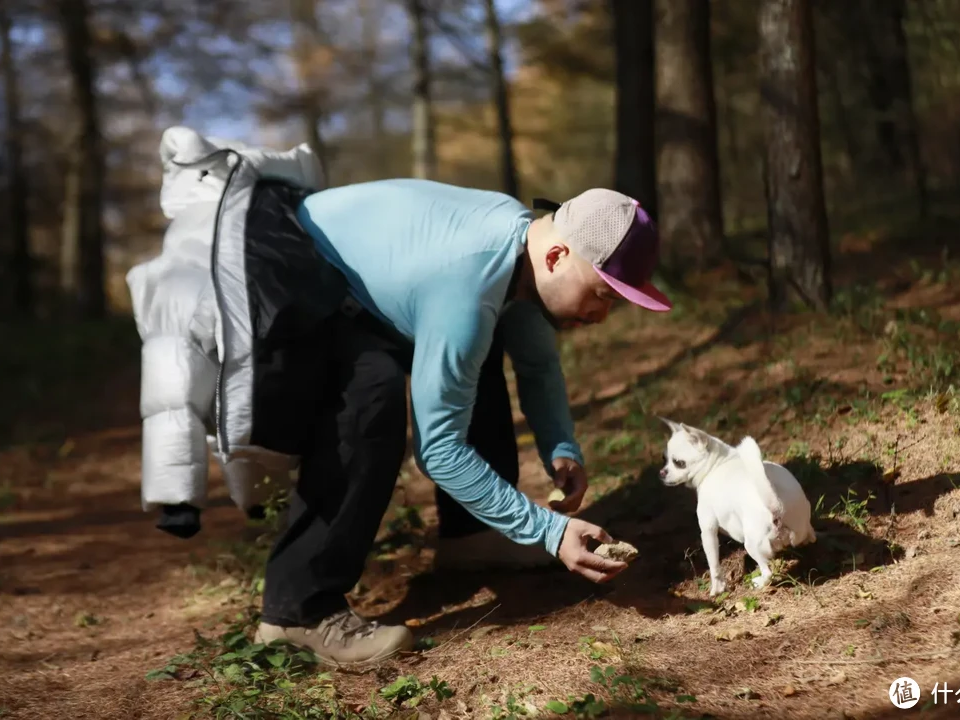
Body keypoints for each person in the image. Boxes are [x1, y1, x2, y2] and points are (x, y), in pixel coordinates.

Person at [237, 178, 673, 664]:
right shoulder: (471, 281)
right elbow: (439, 451)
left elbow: (537, 363)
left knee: (478, 348)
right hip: (300, 266)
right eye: (602, 294)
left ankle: (471, 536)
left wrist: (561, 446)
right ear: (556, 258)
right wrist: (547, 532)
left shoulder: (526, 247)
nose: (600, 315)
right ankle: (296, 613)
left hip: (386, 281)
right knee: (369, 397)